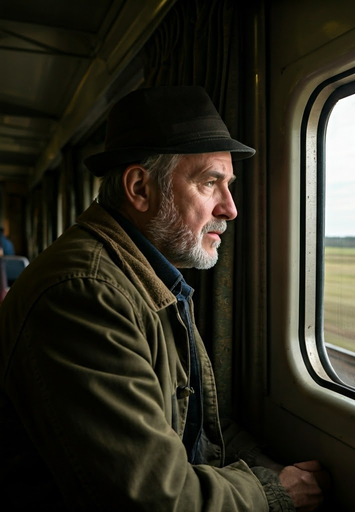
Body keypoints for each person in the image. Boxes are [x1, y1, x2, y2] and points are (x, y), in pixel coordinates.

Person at [0, 86, 330, 511]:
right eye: (210, 182)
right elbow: (151, 499)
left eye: (228, 185)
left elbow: (194, 424)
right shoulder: (85, 294)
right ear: (140, 187)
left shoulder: (146, 276)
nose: (229, 208)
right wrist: (274, 493)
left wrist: (268, 468)